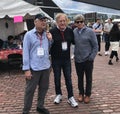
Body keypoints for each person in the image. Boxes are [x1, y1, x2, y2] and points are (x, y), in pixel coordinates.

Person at [22, 13, 52, 114]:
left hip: (45, 67)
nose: (44, 22)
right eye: (41, 20)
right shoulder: (29, 35)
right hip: (34, 68)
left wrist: (50, 40)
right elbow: (25, 52)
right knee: (30, 91)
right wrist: (26, 69)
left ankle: (40, 106)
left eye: (45, 20)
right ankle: (26, 111)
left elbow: (48, 49)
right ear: (35, 22)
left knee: (43, 89)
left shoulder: (46, 34)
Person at [49, 13, 78, 107]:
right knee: (57, 78)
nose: (62, 22)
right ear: (57, 22)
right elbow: (48, 46)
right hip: (56, 59)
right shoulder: (52, 31)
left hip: (66, 60)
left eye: (64, 21)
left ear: (66, 21)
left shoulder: (70, 31)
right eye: (60, 21)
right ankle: (59, 94)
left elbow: (74, 43)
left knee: (68, 79)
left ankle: (70, 97)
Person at [73, 14, 98, 103]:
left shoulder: (90, 31)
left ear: (84, 22)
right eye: (77, 22)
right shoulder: (74, 31)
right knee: (80, 78)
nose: (79, 23)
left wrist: (91, 57)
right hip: (78, 60)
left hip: (88, 60)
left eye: (81, 21)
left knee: (88, 78)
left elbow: (95, 46)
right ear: (75, 23)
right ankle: (81, 93)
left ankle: (88, 94)